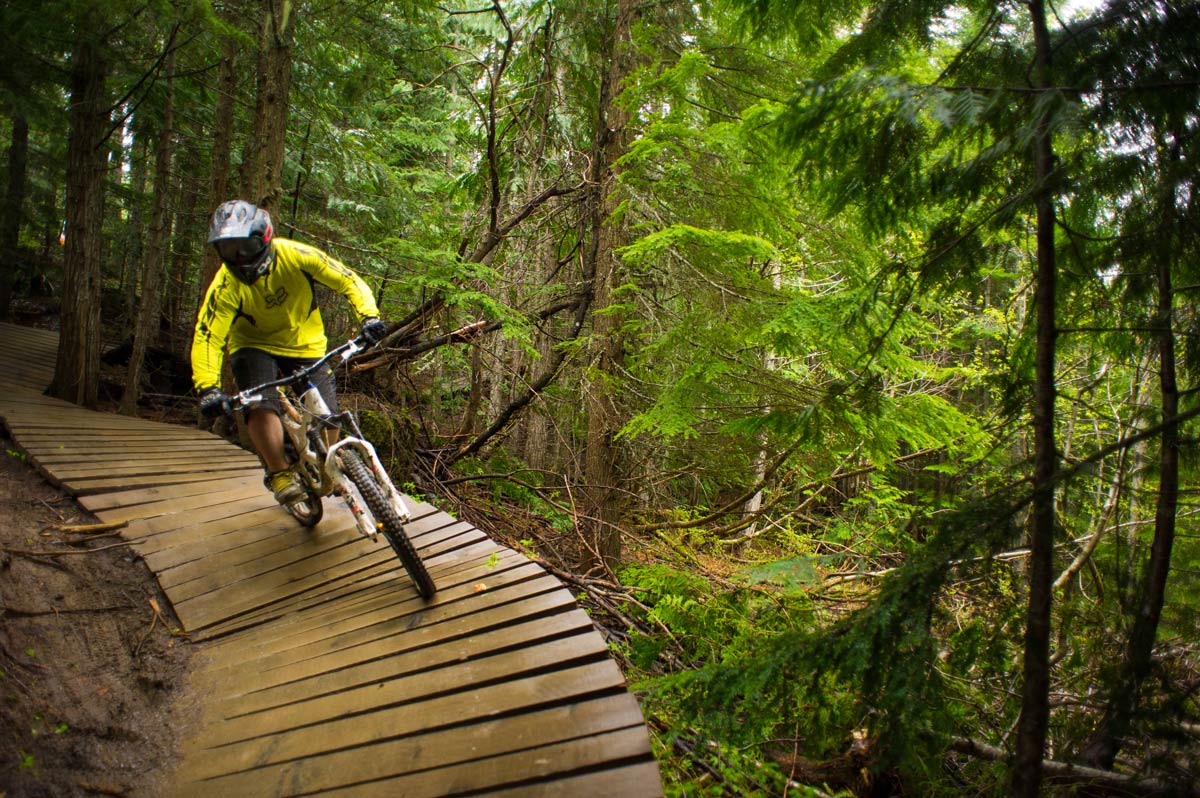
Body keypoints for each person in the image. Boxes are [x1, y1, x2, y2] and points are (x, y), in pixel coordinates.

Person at [191, 199, 387, 505]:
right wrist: (208, 387)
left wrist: (369, 316)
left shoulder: (296, 255)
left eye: (245, 246)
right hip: (253, 346)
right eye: (228, 250)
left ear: (265, 237)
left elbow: (346, 279)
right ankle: (279, 472)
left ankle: (329, 465)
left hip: (305, 343)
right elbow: (208, 336)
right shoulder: (225, 285)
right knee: (260, 406)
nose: (239, 258)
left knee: (328, 415)